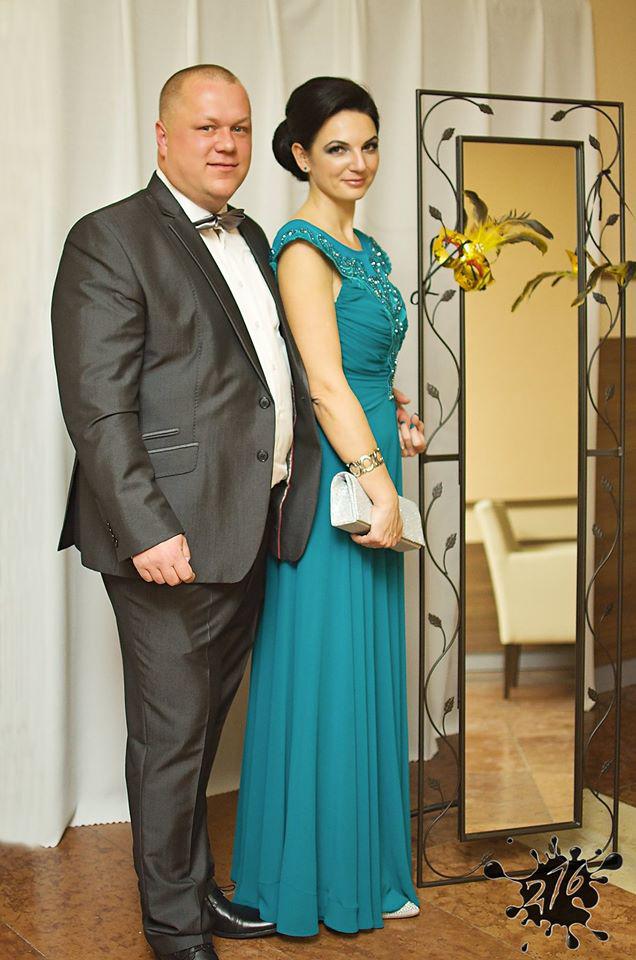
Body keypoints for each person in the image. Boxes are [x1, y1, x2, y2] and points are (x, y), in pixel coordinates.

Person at [51, 64, 321, 960]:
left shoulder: (253, 237)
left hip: (248, 523)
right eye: (206, 128)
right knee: (170, 739)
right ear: (163, 137)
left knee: (199, 734)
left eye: (239, 128)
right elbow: (98, 407)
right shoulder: (109, 238)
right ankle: (173, 929)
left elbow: (264, 373)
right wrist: (147, 527)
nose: (226, 144)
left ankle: (194, 894)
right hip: (167, 535)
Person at [230, 76, 427, 937]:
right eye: (338, 147)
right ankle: (314, 882)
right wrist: (381, 486)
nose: (359, 162)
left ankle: (368, 872)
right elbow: (321, 384)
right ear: (301, 154)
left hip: (371, 450)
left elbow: (366, 366)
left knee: (365, 673)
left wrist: (400, 416)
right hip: (338, 482)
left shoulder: (367, 246)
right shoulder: (303, 249)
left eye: (370, 144)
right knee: (328, 675)